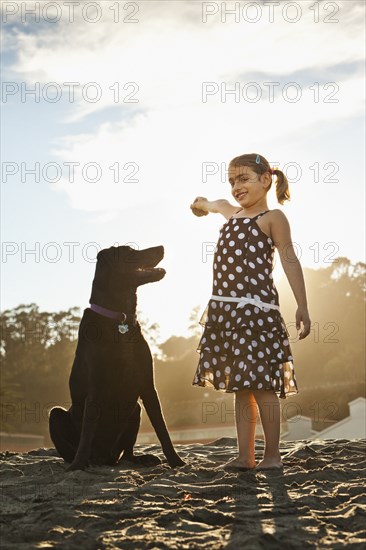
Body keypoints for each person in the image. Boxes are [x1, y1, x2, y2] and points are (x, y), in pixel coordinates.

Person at [190, 152, 311, 471]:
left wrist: (302, 305)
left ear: (266, 180)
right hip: (226, 313)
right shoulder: (231, 213)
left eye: (243, 179)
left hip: (257, 313)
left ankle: (272, 456)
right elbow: (214, 203)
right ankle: (246, 456)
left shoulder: (272, 218)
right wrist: (200, 204)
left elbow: (289, 259)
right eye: (231, 181)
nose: (235, 187)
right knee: (241, 386)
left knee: (261, 385)